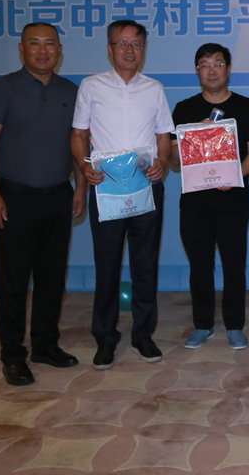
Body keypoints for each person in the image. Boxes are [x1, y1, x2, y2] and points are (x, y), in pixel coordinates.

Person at [0, 23, 86, 386]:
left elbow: (78, 145)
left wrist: (80, 189)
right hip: (13, 199)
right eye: (34, 44)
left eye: (49, 44)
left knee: (52, 279)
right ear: (22, 49)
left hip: (58, 198)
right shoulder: (2, 88)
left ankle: (45, 345)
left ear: (60, 50)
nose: (42, 51)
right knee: (13, 283)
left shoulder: (71, 91)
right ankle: (12, 355)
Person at [71, 20, 174, 370]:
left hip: (146, 185)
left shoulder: (154, 88)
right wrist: (84, 165)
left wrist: (162, 162)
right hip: (107, 187)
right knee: (107, 266)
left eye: (136, 44)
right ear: (110, 49)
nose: (130, 50)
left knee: (145, 265)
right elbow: (78, 134)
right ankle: (105, 338)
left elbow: (164, 135)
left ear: (144, 49)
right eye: (122, 43)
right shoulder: (91, 86)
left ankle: (143, 336)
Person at [169, 43, 249, 350]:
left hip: (233, 202)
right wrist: (191, 138)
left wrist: (235, 175)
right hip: (194, 204)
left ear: (228, 68)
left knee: (234, 265)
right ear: (197, 71)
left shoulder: (246, 106)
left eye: (218, 64)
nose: (212, 70)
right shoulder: (184, 109)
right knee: (200, 267)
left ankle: (235, 325)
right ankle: (203, 325)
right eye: (205, 65)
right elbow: (173, 160)